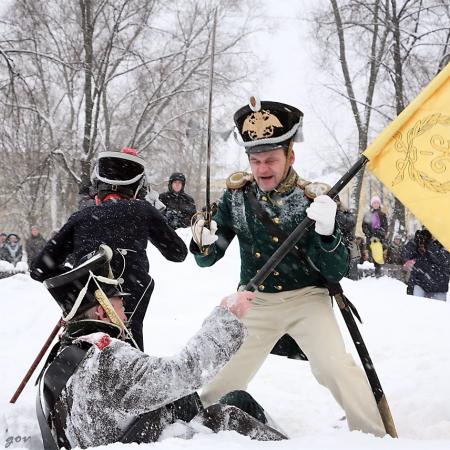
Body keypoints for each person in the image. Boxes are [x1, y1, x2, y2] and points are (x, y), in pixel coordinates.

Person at [189, 97, 385, 436]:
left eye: (271, 160)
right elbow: (209, 257)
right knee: (223, 379)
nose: (263, 169)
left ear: (290, 156)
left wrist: (326, 232)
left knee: (334, 368)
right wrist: (203, 239)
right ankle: (198, 434)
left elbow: (336, 270)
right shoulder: (237, 198)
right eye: (256, 160)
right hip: (255, 300)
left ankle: (375, 436)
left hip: (306, 299)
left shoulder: (314, 199)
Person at [37, 245, 285, 449]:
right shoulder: (105, 356)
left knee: (228, 399)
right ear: (103, 311)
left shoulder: (64, 358)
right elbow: (185, 371)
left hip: (135, 435)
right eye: (119, 304)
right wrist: (227, 317)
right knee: (228, 413)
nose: (125, 312)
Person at [30, 148, 188, 351]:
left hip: (81, 338)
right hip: (127, 340)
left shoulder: (81, 218)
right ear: (138, 189)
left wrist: (77, 279)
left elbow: (38, 269)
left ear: (97, 189)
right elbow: (178, 253)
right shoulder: (142, 211)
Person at [401, 228, 450, 301]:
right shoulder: (422, 240)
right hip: (420, 283)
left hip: (439, 287)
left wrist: (429, 244)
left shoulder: (446, 241)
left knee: (438, 311)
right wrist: (415, 241)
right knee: (415, 309)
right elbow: (405, 254)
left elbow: (443, 260)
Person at [362, 195, 388, 277]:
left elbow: (385, 227)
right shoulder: (367, 214)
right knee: (370, 256)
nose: (376, 204)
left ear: (379, 204)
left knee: (378, 255)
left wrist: (378, 234)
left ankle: (378, 274)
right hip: (370, 239)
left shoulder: (383, 215)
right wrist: (369, 234)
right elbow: (364, 226)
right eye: (374, 203)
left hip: (379, 239)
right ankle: (369, 275)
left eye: (377, 203)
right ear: (371, 204)